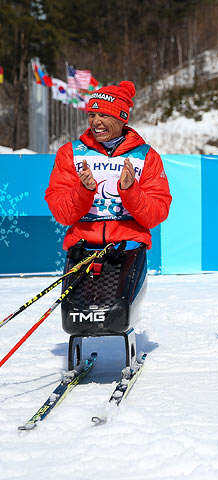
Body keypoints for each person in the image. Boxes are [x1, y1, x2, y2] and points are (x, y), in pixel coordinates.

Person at [45, 80, 171, 369]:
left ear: (122, 117)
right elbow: (62, 212)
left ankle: (125, 347)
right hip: (83, 247)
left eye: (104, 115)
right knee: (76, 317)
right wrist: (83, 191)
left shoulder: (145, 157)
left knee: (117, 314)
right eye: (92, 115)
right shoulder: (71, 153)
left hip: (125, 246)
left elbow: (156, 212)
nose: (96, 122)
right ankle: (77, 350)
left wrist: (130, 190)